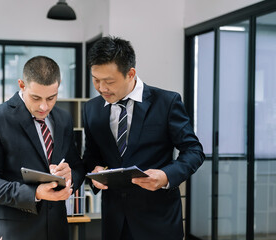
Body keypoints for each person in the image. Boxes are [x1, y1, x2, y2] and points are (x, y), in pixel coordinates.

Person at [83, 36, 205, 240]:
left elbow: (194, 151)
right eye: (96, 79)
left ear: (130, 73)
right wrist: (95, 170)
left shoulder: (167, 102)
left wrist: (166, 176)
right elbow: (92, 155)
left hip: (158, 222)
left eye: (109, 81)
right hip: (114, 223)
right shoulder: (92, 109)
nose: (101, 88)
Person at [0, 56, 85, 240]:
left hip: (57, 230)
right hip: (15, 232)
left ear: (59, 85)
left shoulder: (64, 119)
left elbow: (77, 167)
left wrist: (71, 175)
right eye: (36, 97)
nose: (44, 106)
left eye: (51, 97)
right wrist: (35, 193)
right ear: (22, 85)